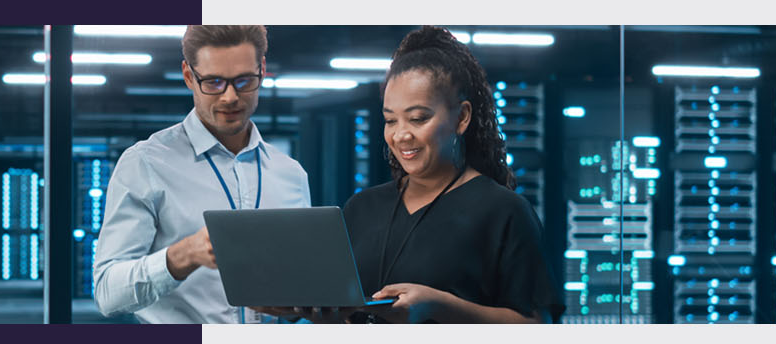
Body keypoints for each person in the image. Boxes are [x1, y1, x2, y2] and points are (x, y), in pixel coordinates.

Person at [271, 25, 561, 324]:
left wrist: (441, 307)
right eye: (390, 120)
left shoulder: (504, 211)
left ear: (461, 117)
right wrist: (307, 309)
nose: (401, 135)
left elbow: (540, 325)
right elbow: (344, 312)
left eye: (418, 118)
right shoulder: (362, 208)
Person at [92, 25, 312, 324]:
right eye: (214, 82)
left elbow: (299, 286)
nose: (230, 97)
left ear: (262, 70)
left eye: (244, 81)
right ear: (188, 76)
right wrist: (183, 256)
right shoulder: (145, 164)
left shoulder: (291, 174)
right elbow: (107, 293)